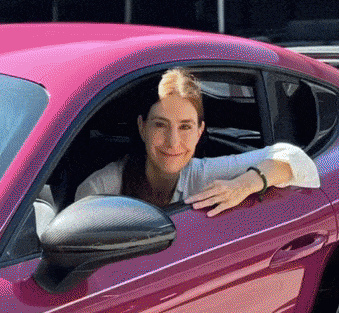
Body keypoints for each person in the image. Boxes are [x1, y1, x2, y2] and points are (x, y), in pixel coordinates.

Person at [75, 67, 320, 216]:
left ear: (200, 131)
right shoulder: (99, 189)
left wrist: (243, 186)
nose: (173, 142)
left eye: (185, 127)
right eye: (160, 125)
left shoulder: (201, 174)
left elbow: (292, 157)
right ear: (142, 127)